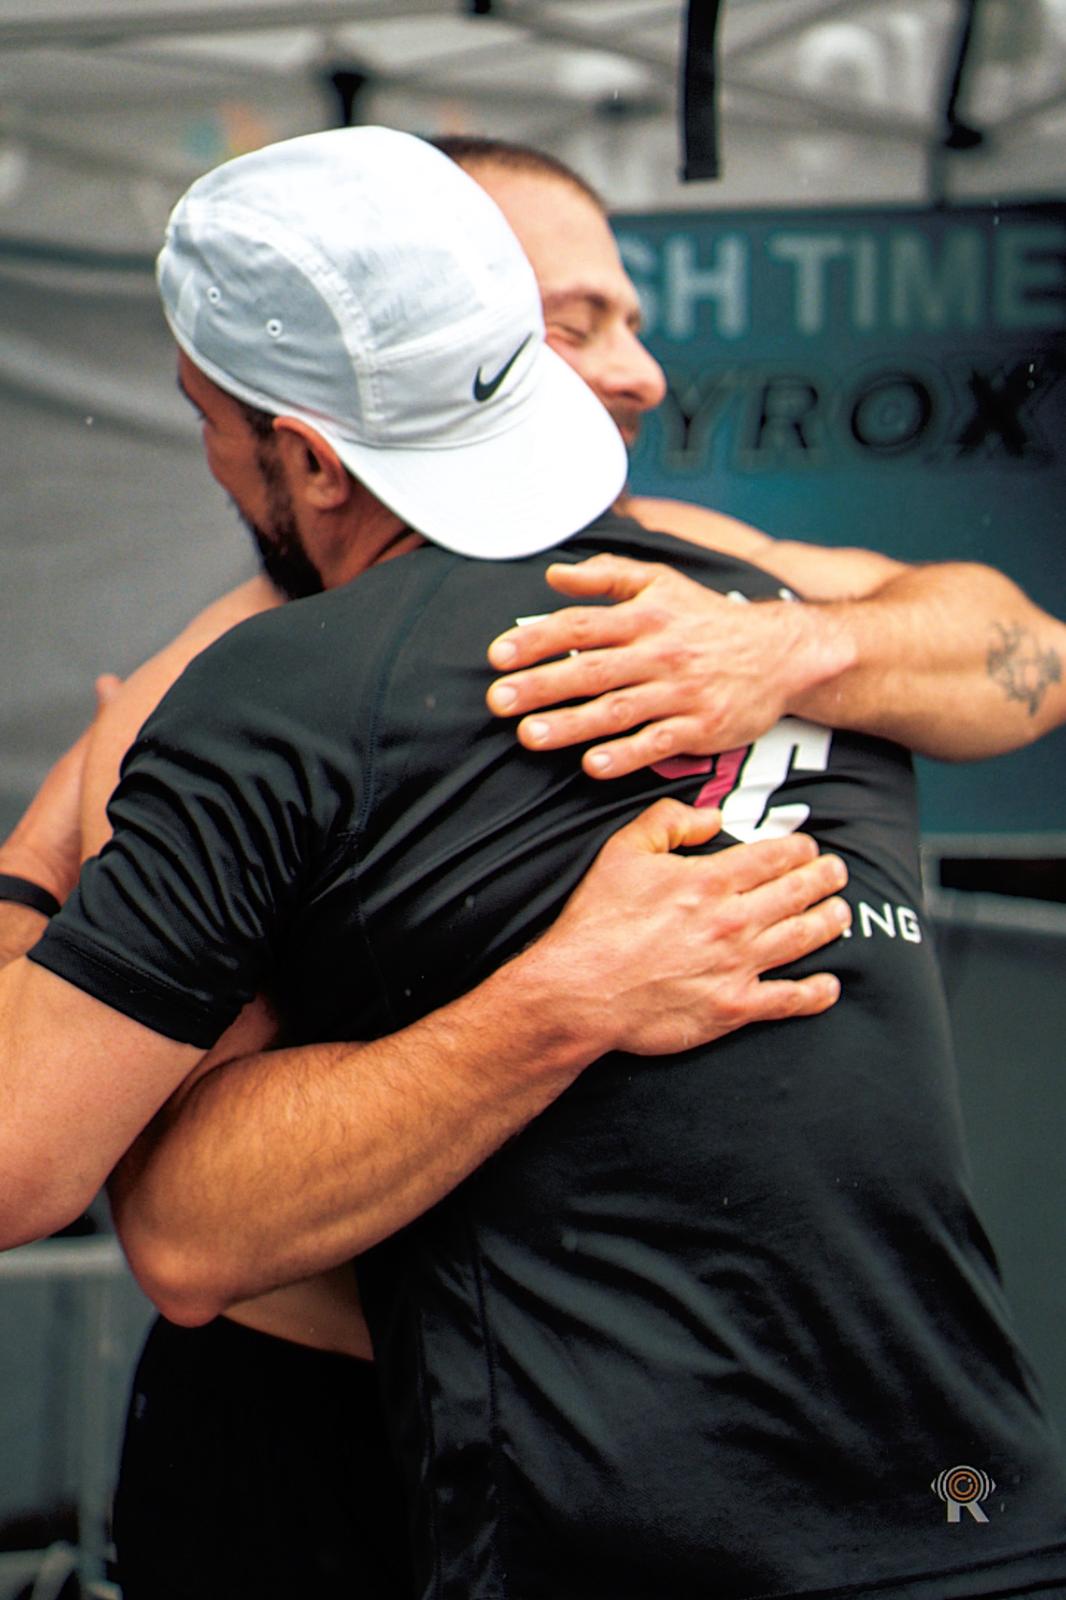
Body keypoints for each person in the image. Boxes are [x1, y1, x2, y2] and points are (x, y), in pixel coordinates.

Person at [1, 126, 1063, 1600]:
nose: (637, 370)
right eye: (577, 323)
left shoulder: (704, 589)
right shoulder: (244, 683)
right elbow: (168, 1220)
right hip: (354, 1447)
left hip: (632, 1485)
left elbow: (1027, 657)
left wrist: (803, 650)